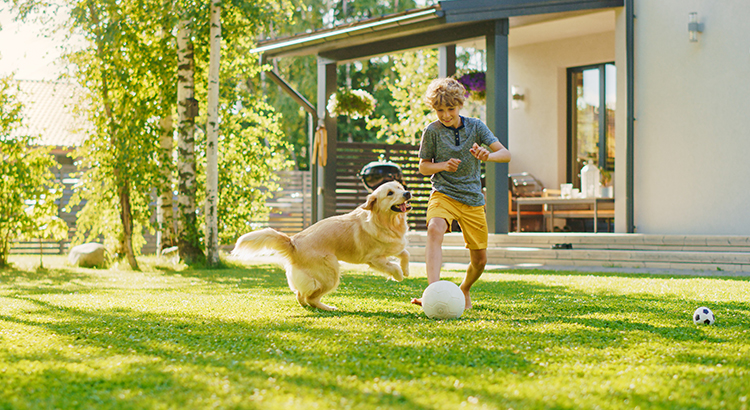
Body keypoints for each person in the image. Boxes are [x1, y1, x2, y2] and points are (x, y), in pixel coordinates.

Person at [411, 77, 511, 310]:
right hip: (443, 193)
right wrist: (443, 165)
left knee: (480, 260)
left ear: (460, 105)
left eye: (450, 109)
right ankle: (433, 292)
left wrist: (488, 155)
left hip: (472, 198)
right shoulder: (432, 131)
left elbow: (505, 154)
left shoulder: (476, 126)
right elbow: (424, 166)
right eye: (439, 110)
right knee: (435, 228)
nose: (445, 115)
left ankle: (464, 288)